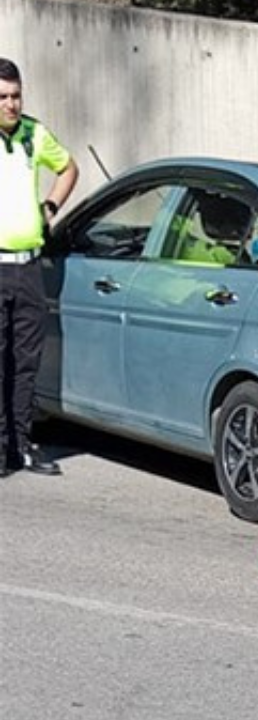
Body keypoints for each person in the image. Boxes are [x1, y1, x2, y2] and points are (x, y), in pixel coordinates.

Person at [0, 58, 78, 477]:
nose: (11, 105)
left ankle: (21, 445)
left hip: (28, 267)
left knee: (26, 360)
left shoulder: (35, 134)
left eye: (16, 95)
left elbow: (68, 168)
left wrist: (49, 206)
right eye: (3, 97)